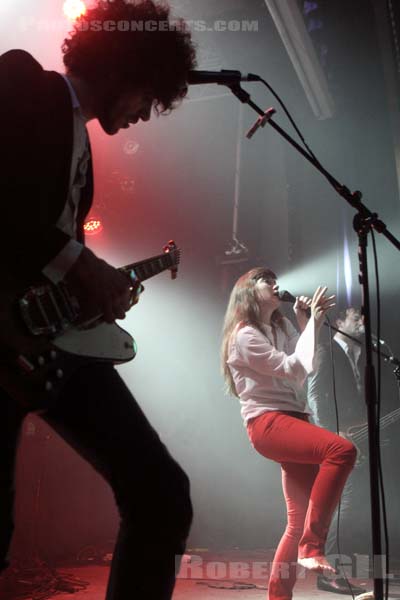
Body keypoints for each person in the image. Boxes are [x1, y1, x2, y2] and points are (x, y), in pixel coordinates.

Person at [0, 1, 196, 599]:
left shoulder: (81, 146)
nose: (145, 114)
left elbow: (41, 250)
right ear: (125, 68)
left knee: (160, 493)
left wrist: (87, 298)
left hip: (50, 344)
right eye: (148, 96)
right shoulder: (22, 81)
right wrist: (81, 264)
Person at [221, 267, 357, 600]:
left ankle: (279, 595)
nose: (275, 283)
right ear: (249, 292)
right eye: (266, 280)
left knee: (296, 521)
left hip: (292, 420)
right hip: (268, 423)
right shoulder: (244, 335)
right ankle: (313, 546)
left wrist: (307, 322)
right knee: (342, 450)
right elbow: (292, 368)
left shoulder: (278, 328)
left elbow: (305, 363)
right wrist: (311, 322)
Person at [307, 307, 369, 595]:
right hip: (336, 439)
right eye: (357, 317)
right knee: (343, 504)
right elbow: (315, 393)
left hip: (355, 435)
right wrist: (331, 436)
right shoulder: (327, 348)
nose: (362, 323)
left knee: (351, 503)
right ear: (341, 321)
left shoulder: (358, 353)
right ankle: (329, 570)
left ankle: (337, 566)